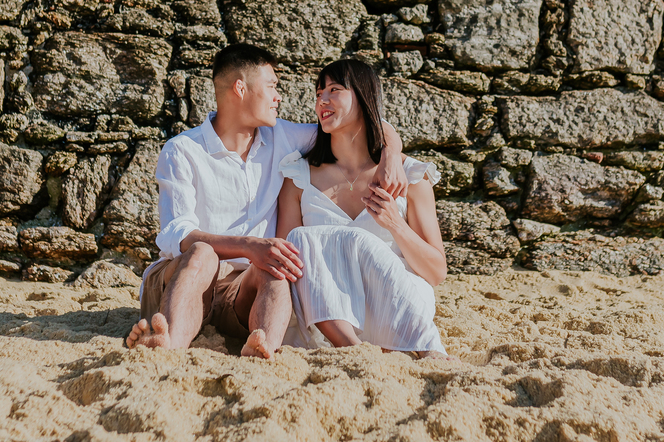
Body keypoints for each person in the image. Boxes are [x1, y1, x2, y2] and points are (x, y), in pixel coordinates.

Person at [124, 43, 417, 358]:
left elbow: (358, 122)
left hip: (244, 289)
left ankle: (263, 350)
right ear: (241, 88)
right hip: (184, 277)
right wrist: (250, 246)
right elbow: (176, 234)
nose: (279, 97)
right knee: (202, 254)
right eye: (272, 86)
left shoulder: (283, 136)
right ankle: (167, 349)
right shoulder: (182, 149)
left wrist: (391, 155)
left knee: (276, 266)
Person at [276, 59, 450, 358]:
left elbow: (436, 272)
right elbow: (286, 260)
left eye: (334, 89)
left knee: (352, 241)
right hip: (325, 315)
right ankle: (352, 349)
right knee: (299, 241)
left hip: (398, 305)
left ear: (363, 96)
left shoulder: (410, 178)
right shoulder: (299, 178)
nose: (322, 100)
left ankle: (415, 346)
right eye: (318, 93)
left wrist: (396, 225)